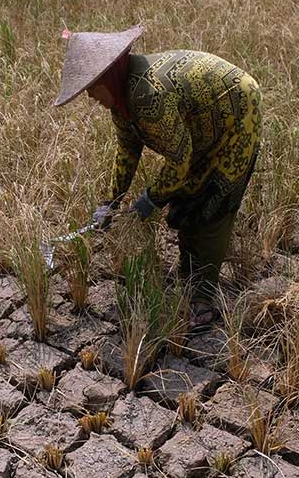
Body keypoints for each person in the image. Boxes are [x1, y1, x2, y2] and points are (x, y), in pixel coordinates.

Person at [53, 25, 262, 327]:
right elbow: (127, 151)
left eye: (90, 86)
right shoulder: (122, 101)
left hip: (238, 114)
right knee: (187, 202)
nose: (89, 96)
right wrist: (110, 201)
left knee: (212, 204)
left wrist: (150, 200)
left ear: (107, 77)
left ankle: (202, 302)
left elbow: (179, 158)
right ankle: (189, 276)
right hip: (203, 122)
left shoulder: (148, 95)